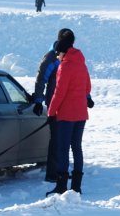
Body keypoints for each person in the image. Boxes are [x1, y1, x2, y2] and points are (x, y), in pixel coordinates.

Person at [32, 28, 84, 183]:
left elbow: (80, 80)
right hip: (56, 105)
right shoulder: (52, 57)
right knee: (58, 141)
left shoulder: (73, 57)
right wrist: (38, 100)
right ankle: (54, 175)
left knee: (69, 143)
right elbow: (41, 79)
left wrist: (86, 96)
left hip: (70, 105)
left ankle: (64, 174)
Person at [46, 30, 92, 196]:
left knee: (63, 149)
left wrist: (51, 112)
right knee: (77, 148)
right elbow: (88, 87)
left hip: (66, 115)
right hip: (81, 114)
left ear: (62, 51)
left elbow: (59, 92)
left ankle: (61, 185)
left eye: (58, 53)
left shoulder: (65, 66)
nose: (57, 56)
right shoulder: (81, 63)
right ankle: (77, 186)